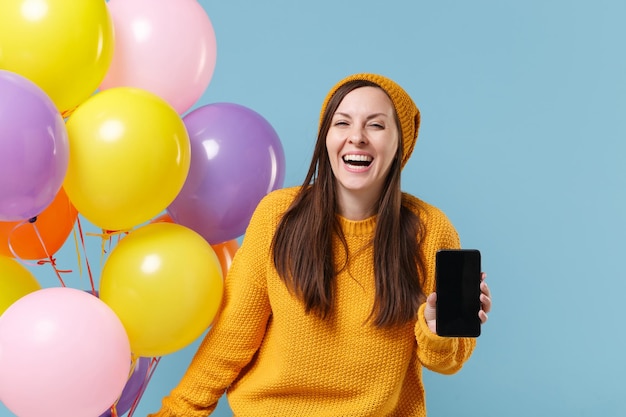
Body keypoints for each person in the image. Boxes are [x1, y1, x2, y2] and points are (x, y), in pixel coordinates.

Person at [148, 73, 492, 417]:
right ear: (326, 137)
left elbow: (448, 361)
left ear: (400, 142)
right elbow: (231, 336)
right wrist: (177, 412)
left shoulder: (429, 229)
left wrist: (436, 327)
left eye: (376, 126)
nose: (356, 137)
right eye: (342, 123)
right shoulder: (277, 216)